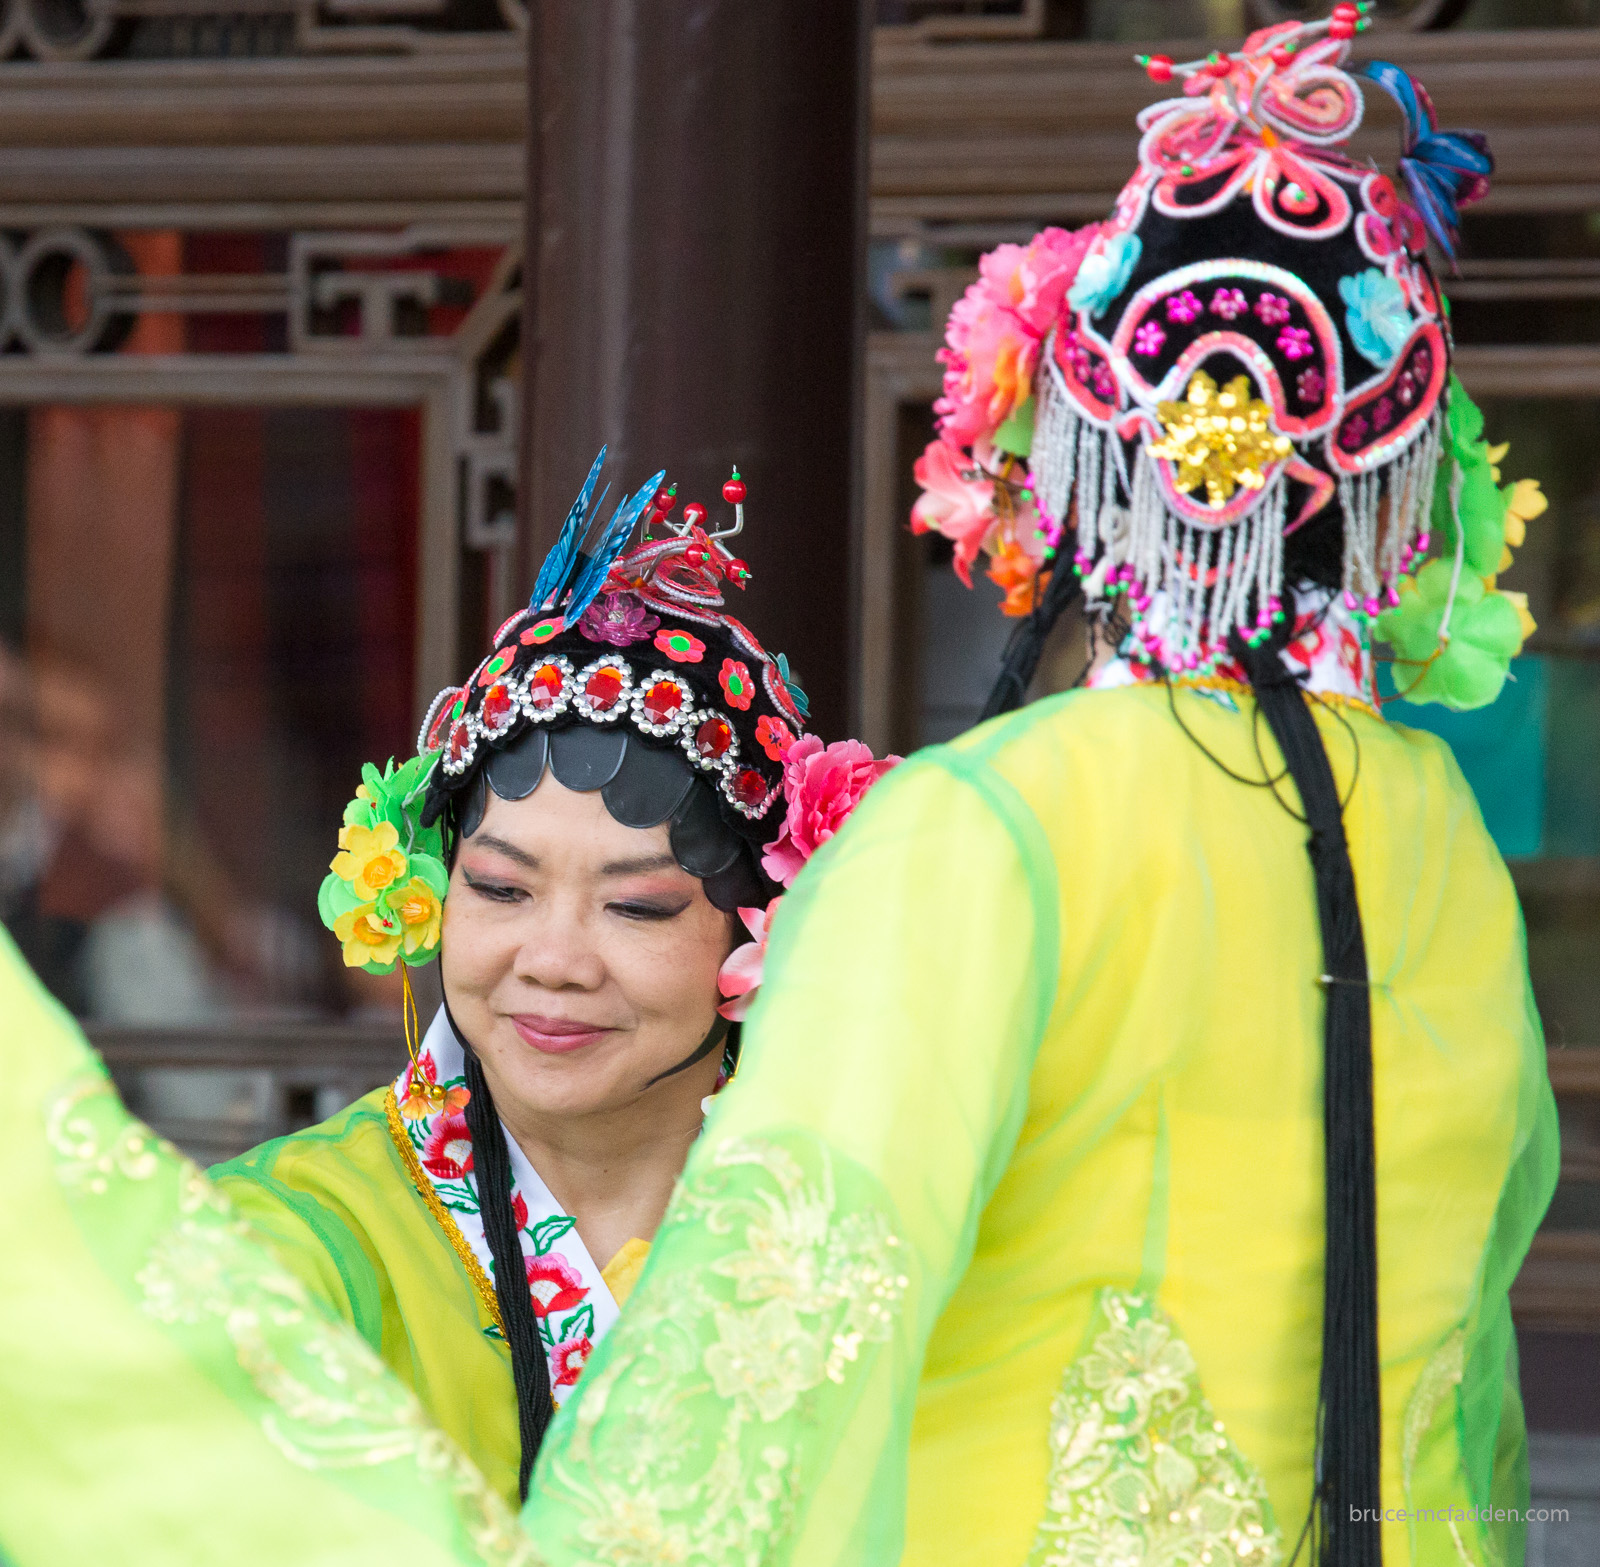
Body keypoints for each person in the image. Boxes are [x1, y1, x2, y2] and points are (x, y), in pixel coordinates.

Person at [514, 16, 1558, 1567]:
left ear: (1070, 450)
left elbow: (773, 1345)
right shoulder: (1440, 831)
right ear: (1388, 486)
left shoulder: (990, 824)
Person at [211, 450, 894, 1510]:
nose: (553, 960)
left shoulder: (872, 1240)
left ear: (761, 928)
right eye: (499, 888)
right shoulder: (286, 1246)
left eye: (636, 905)